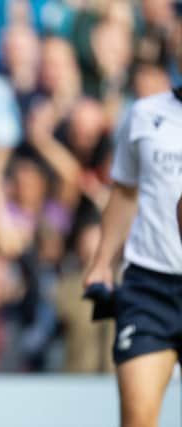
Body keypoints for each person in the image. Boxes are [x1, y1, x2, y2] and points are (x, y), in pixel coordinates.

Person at [84, 85, 182, 426]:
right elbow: (125, 192)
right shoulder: (144, 114)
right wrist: (101, 264)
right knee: (137, 420)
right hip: (149, 286)